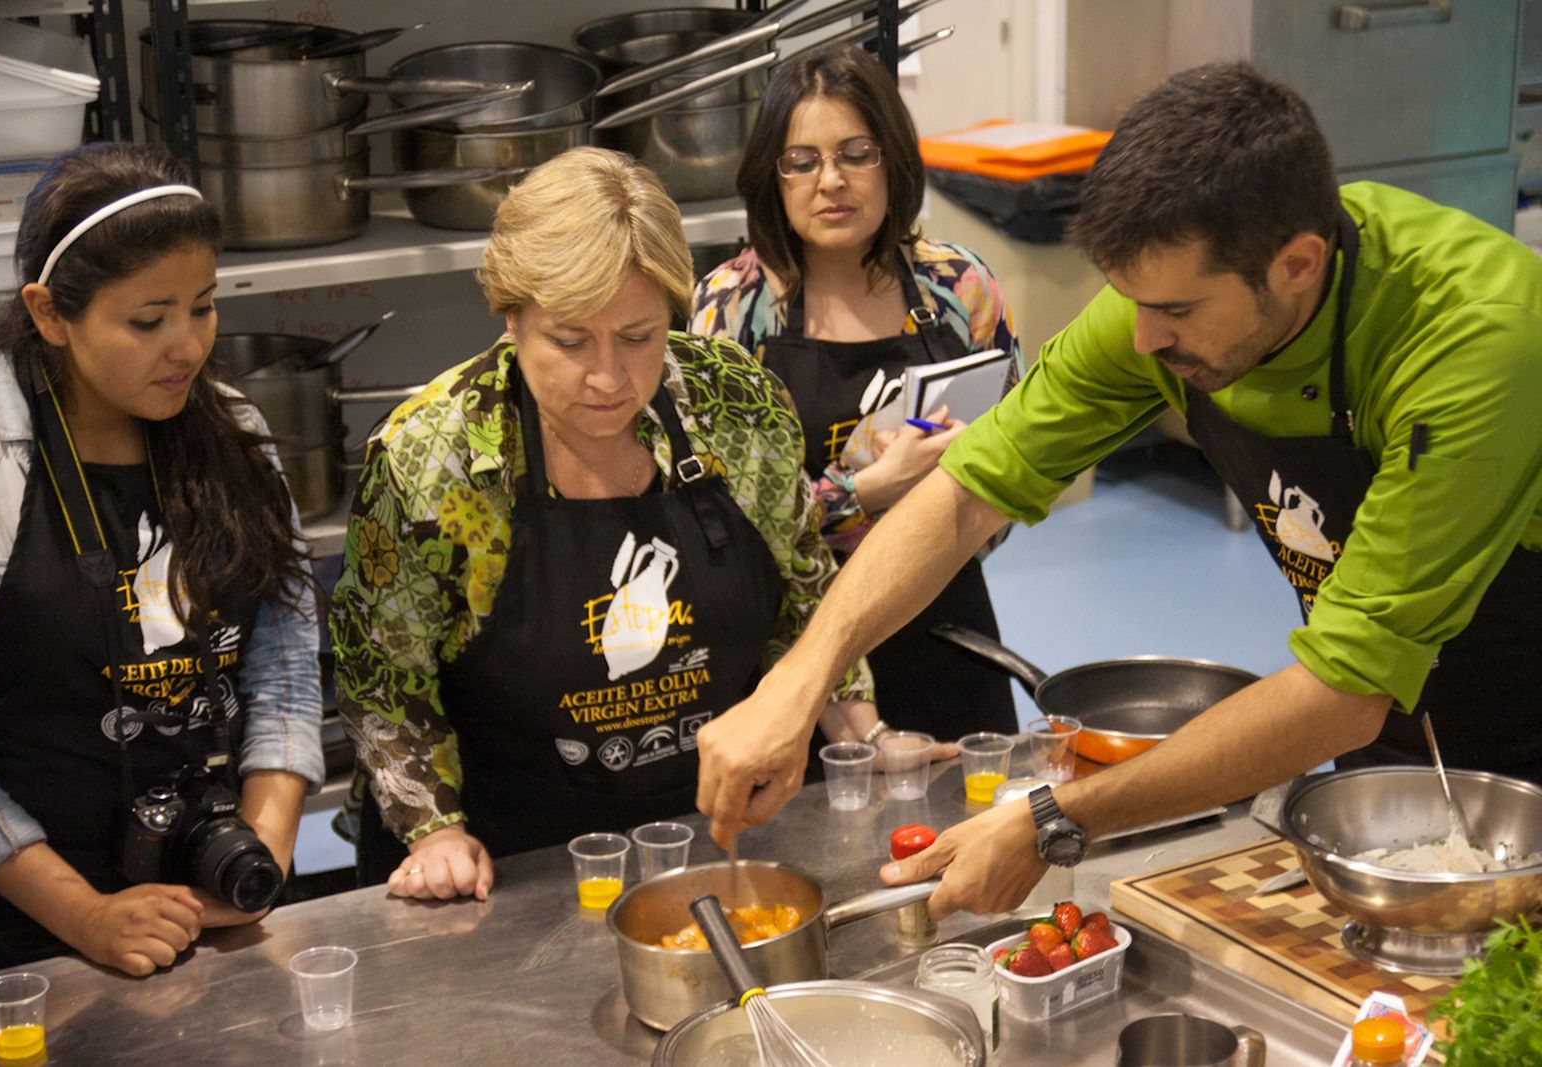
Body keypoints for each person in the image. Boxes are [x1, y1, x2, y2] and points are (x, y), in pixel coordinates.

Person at [695, 62, 1542, 917]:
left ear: (1298, 265)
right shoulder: (1160, 306)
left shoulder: (1474, 343)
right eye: (1128, 300)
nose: (1140, 338)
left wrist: (1056, 816)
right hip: (1397, 709)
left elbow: (1344, 690)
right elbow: (967, 490)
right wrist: (797, 682)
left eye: (1174, 310)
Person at [328, 147, 875, 901]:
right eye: (571, 341)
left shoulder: (733, 405)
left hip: (726, 834)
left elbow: (805, 598)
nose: (610, 378)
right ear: (511, 316)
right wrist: (437, 831)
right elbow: (381, 680)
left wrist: (866, 737)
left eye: (639, 336)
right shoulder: (433, 456)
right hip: (517, 866)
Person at [0, 144, 325, 976]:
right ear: (48, 313)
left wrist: (262, 850)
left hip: (225, 888)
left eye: (203, 306)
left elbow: (284, 662)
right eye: (147, 321)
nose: (186, 347)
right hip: (41, 928)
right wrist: (86, 916)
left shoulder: (233, 430)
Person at [690, 42, 1020, 742]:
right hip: (789, 646)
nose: (830, 180)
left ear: (893, 160)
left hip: (942, 619)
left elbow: (1020, 464)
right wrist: (864, 491)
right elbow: (724, 527)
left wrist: (958, 490)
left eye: (856, 152)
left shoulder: (960, 288)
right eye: (802, 161)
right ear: (772, 177)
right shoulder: (732, 310)